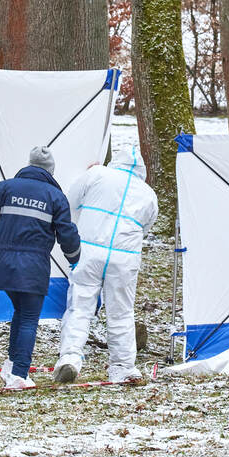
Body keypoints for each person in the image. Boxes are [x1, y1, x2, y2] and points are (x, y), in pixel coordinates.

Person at [0, 146, 81, 388]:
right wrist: (75, 258)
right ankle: (20, 374)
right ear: (51, 170)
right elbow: (66, 234)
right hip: (34, 267)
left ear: (28, 164)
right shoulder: (55, 197)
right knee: (29, 318)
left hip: (5, 264)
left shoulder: (6, 187)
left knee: (20, 313)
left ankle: (11, 365)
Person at [55, 145, 159, 384]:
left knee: (80, 307)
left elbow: (70, 200)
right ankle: (123, 367)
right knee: (121, 311)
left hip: (89, 251)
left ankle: (70, 357)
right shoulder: (147, 193)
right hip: (125, 257)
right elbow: (146, 226)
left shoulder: (98, 174)